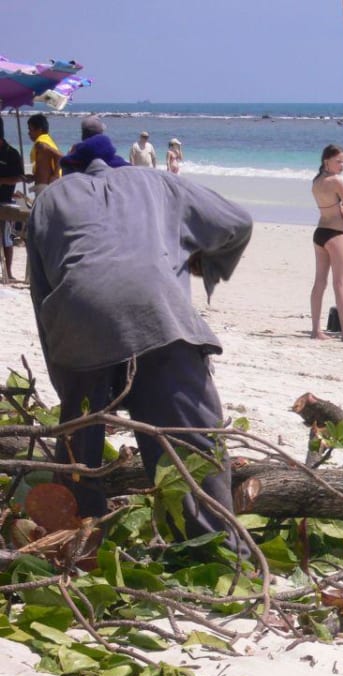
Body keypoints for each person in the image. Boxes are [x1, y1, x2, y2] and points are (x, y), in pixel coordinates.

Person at [25, 132, 252, 554]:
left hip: (79, 321)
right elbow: (238, 222)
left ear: (71, 170)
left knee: (80, 450)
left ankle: (80, 540)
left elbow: (42, 299)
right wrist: (207, 265)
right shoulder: (159, 183)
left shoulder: (50, 199)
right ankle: (213, 548)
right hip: (160, 315)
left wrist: (71, 391)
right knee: (191, 439)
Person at [310, 144, 343, 342]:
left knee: (320, 281)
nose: (342, 165)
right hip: (335, 233)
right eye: (338, 161)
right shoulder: (337, 181)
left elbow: (330, 206)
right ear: (326, 161)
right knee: (340, 283)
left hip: (320, 232)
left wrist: (341, 210)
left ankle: (315, 330)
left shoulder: (316, 181)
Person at [0, 117, 25, 281]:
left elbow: (20, 177)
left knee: (6, 237)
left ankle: (8, 273)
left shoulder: (11, 153)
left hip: (4, 201)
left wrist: (2, 181)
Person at [25, 113, 61, 195]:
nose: (29, 133)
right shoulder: (47, 140)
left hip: (45, 187)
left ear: (39, 130)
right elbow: (45, 167)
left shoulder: (41, 144)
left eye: (30, 129)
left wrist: (55, 176)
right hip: (46, 186)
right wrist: (34, 177)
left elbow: (60, 156)